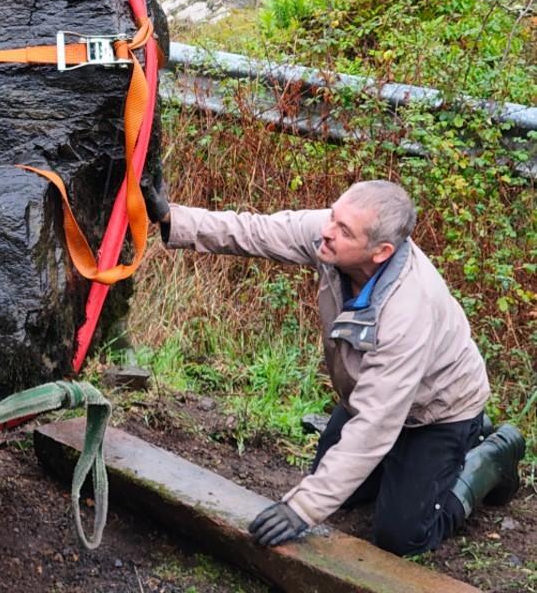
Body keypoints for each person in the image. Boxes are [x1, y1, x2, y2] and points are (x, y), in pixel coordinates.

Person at [150, 179, 525, 554]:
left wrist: (301, 509)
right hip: (374, 396)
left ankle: (490, 455)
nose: (327, 232)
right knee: (343, 493)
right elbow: (256, 231)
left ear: (381, 252)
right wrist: (173, 219)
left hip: (437, 410)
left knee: (402, 535)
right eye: (333, 216)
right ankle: (417, 463)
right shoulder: (331, 236)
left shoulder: (409, 309)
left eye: (343, 230)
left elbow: (374, 425)